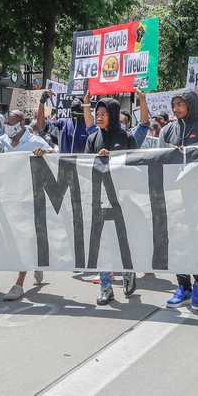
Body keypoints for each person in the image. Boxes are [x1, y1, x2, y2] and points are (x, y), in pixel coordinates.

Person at [159, 90, 198, 310]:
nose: (176, 109)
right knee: (176, 243)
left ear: (191, 105)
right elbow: (158, 162)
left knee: (197, 243)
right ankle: (183, 286)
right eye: (174, 105)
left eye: (181, 104)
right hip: (174, 198)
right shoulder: (166, 131)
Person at [0, 110, 54, 301]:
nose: (8, 125)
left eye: (12, 122)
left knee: (24, 238)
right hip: (6, 199)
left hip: (28, 199)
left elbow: (55, 153)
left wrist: (45, 153)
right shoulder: (3, 141)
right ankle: (36, 263)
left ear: (21, 123)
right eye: (7, 122)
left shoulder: (35, 141)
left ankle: (19, 283)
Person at [84, 98, 138, 305]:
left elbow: (136, 165)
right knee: (103, 244)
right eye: (97, 113)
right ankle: (105, 287)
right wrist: (97, 159)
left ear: (113, 115)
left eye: (103, 113)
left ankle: (128, 271)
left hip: (123, 199)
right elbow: (83, 165)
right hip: (100, 198)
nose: (99, 117)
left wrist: (114, 158)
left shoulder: (126, 137)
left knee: (123, 241)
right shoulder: (92, 139)